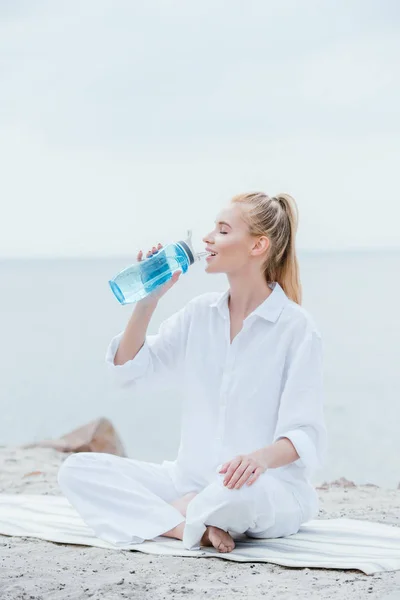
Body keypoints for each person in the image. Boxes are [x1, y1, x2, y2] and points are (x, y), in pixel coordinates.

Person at [58, 191, 327, 554]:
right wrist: (148, 300)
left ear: (258, 245)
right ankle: (190, 524)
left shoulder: (296, 328)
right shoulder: (199, 315)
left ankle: (175, 517)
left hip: (262, 485)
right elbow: (128, 370)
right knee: (76, 471)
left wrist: (257, 459)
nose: (207, 238)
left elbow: (304, 435)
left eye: (222, 230)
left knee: (241, 496)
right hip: (187, 480)